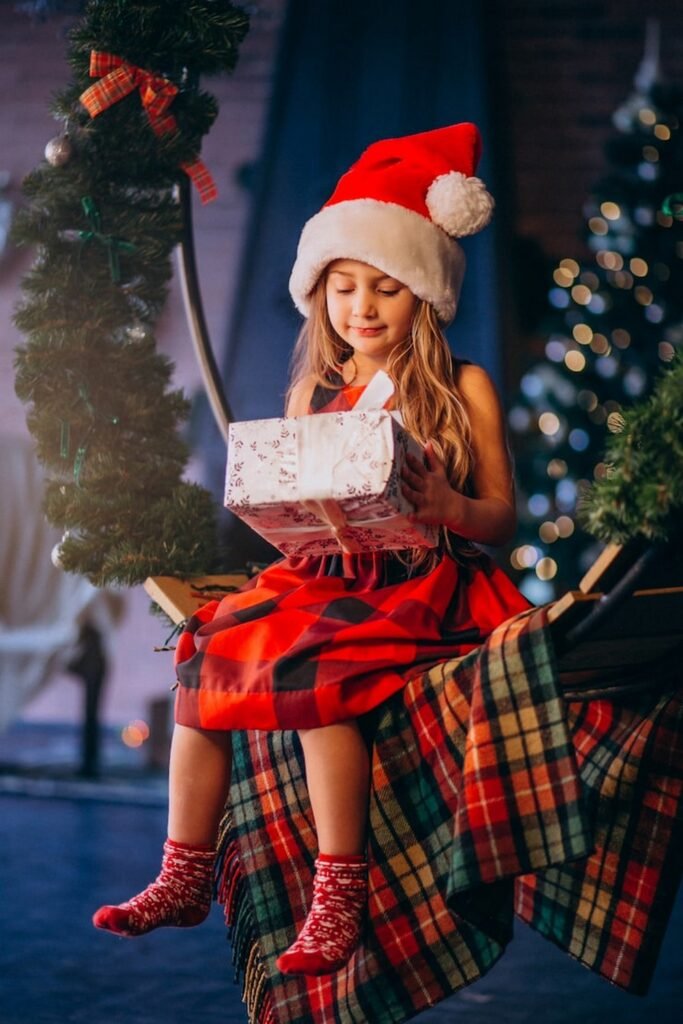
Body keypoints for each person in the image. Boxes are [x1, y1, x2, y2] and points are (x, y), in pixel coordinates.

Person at [93, 122, 530, 976]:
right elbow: (299, 497)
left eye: (384, 289)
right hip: (326, 571)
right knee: (201, 649)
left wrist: (446, 504)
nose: (360, 308)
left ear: (423, 295)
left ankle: (338, 895)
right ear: (318, 294)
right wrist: (283, 508)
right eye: (342, 288)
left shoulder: (462, 383)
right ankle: (185, 868)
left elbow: (502, 515)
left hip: (420, 579)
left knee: (323, 675)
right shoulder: (317, 390)